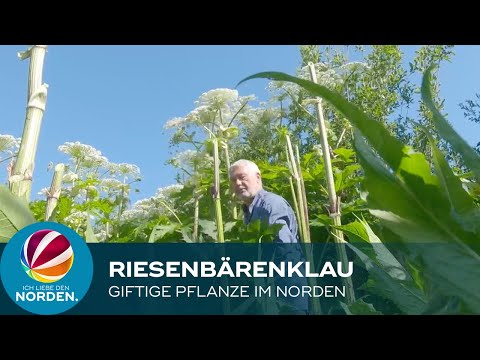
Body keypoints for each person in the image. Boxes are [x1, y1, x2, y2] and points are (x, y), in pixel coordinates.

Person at [228, 159, 309, 315]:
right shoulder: (248, 211)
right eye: (233, 180)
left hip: (286, 294)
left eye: (242, 177)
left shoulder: (272, 204)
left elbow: (283, 248)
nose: (237, 183)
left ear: (258, 177)